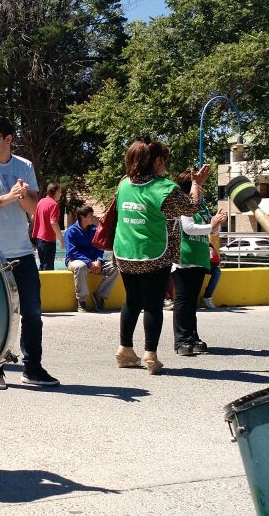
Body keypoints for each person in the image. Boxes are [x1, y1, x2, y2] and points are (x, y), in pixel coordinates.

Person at [0, 115, 60, 390]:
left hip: (22, 251)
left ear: (8, 139)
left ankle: (33, 367)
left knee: (32, 312)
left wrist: (22, 195)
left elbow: (33, 209)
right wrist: (6, 197)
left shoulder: (25, 166)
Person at [112, 141, 207, 373]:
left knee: (132, 301)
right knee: (153, 305)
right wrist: (195, 184)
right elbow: (191, 208)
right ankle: (151, 356)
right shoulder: (164, 188)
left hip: (125, 253)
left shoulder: (124, 183)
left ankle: (125, 350)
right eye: (163, 160)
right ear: (155, 161)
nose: (165, 165)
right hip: (154, 253)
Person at [171, 170, 226, 356]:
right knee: (183, 301)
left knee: (192, 302)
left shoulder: (200, 207)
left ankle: (192, 337)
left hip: (199, 258)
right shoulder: (183, 205)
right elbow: (189, 228)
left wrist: (217, 223)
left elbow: (211, 232)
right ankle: (181, 340)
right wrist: (212, 225)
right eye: (200, 185)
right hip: (183, 259)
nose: (202, 190)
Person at [63, 205, 118, 313]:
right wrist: (88, 262)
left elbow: (99, 248)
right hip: (75, 261)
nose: (93, 218)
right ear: (82, 217)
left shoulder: (94, 230)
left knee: (115, 267)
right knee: (80, 266)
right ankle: (81, 301)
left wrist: (98, 261)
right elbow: (72, 252)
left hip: (93, 261)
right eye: (90, 216)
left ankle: (99, 296)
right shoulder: (71, 231)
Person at [32, 182, 64, 270]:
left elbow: (33, 217)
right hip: (48, 240)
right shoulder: (54, 205)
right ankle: (46, 284)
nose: (61, 194)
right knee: (48, 267)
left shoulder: (41, 202)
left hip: (39, 239)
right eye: (60, 192)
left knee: (42, 265)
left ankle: (40, 284)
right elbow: (53, 222)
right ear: (56, 192)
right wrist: (61, 239)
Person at [201, 244, 221, 309]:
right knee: (198, 271)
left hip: (205, 264)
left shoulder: (206, 241)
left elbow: (215, 258)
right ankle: (191, 298)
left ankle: (207, 296)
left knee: (217, 272)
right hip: (194, 264)